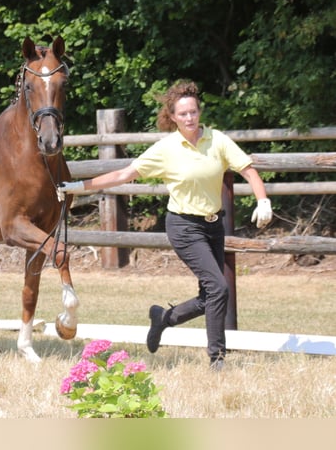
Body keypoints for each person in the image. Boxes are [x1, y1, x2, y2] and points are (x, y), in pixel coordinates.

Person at [62, 80, 272, 370]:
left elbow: (248, 170)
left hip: (213, 225)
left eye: (193, 112)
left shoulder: (217, 140)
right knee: (219, 288)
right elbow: (123, 175)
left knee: (209, 294)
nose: (189, 118)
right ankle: (217, 358)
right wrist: (79, 186)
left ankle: (164, 318)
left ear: (199, 112)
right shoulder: (166, 148)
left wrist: (263, 201)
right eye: (183, 114)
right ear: (172, 117)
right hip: (184, 227)